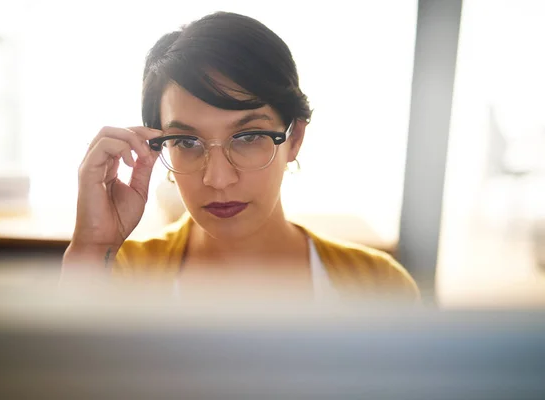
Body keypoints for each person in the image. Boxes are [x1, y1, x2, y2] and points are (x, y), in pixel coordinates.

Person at [62, 12, 419, 302]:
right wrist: (92, 247)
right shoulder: (122, 276)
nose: (218, 178)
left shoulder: (380, 287)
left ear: (294, 139)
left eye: (248, 137)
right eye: (186, 142)